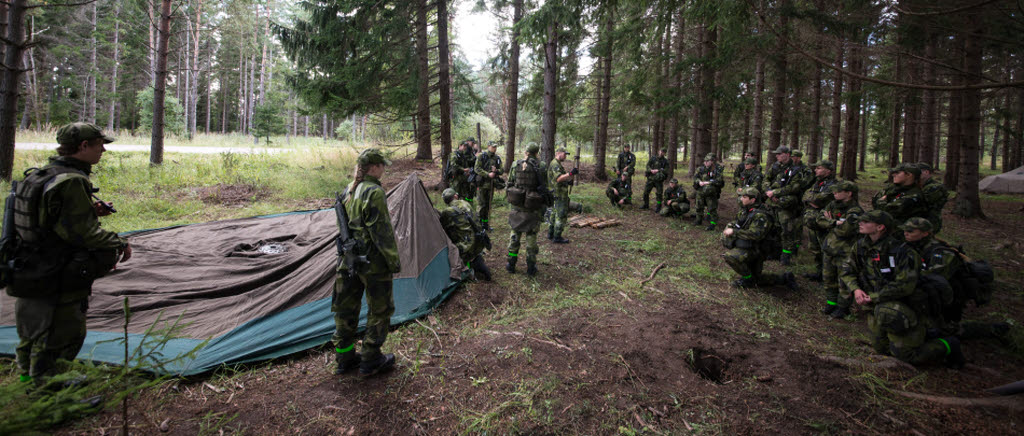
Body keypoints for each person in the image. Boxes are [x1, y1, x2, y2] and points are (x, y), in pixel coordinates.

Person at [10, 122, 131, 384]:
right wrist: (118, 242)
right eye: (100, 145)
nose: (103, 151)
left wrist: (88, 211)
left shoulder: (42, 174)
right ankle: (51, 391)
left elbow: (47, 218)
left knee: (33, 328)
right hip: (57, 268)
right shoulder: (72, 181)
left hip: (30, 265)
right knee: (62, 329)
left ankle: (28, 376)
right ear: (83, 146)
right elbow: (83, 235)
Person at [840, 210, 965, 368]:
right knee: (881, 348)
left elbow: (904, 286)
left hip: (901, 304)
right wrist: (856, 289)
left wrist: (874, 297)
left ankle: (948, 345)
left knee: (908, 355)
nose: (860, 224)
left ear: (880, 227)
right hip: (876, 305)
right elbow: (847, 270)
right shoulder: (861, 245)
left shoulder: (902, 251)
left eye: (866, 222)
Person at [333, 148, 401, 377]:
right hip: (372, 263)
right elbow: (381, 232)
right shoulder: (374, 192)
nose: (384, 169)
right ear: (373, 167)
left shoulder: (348, 191)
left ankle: (344, 357)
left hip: (348, 262)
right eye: (382, 165)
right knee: (380, 309)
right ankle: (371, 358)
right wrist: (393, 261)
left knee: (345, 309)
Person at [901, 218, 1009, 341]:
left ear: (925, 233)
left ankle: (992, 330)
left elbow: (934, 276)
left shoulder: (940, 252)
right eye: (905, 230)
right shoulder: (914, 246)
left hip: (950, 298)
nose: (906, 233)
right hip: (936, 294)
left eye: (910, 231)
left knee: (946, 331)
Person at [722, 187, 797, 290]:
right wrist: (730, 226)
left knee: (731, 257)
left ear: (753, 200)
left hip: (758, 250)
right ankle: (783, 278)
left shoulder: (761, 215)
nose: (741, 199)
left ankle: (748, 279)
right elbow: (737, 222)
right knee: (757, 279)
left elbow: (755, 235)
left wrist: (734, 232)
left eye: (744, 197)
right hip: (749, 246)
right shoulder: (746, 211)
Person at [816, 180, 863, 319]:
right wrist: (835, 222)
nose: (834, 193)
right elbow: (819, 219)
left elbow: (846, 230)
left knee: (844, 281)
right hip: (830, 247)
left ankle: (843, 307)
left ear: (849, 193)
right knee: (828, 278)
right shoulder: (832, 204)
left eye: (838, 191)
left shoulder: (855, 211)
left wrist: (830, 223)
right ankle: (831, 303)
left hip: (845, 252)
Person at [506, 144, 549, 276]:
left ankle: (511, 264)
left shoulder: (515, 164)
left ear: (526, 152)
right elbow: (544, 186)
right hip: (533, 207)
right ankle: (531, 267)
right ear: (537, 153)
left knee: (514, 236)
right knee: (531, 239)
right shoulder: (541, 166)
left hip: (517, 206)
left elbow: (510, 183)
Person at [764, 146, 811, 265]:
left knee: (787, 230)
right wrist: (769, 192)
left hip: (785, 204)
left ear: (787, 154)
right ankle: (774, 252)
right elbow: (766, 180)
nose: (777, 156)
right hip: (772, 202)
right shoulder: (775, 166)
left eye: (780, 154)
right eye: (777, 154)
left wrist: (775, 193)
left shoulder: (796, 170)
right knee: (773, 228)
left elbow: (795, 187)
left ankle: (786, 256)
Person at [439, 188, 492, 281]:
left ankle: (469, 272)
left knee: (451, 250)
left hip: (467, 244)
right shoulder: (465, 203)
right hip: (478, 238)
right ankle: (478, 263)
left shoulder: (447, 212)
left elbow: (443, 227)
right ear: (455, 196)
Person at [801, 161, 839, 282]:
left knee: (826, 249)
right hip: (813, 222)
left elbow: (822, 199)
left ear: (828, 170)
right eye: (815, 168)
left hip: (825, 222)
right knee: (815, 247)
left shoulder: (834, 184)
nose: (815, 170)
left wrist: (812, 199)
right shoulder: (817, 183)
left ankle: (829, 276)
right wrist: (812, 200)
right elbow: (805, 195)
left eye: (819, 168)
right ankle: (820, 272)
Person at [871, 163, 928, 237]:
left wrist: (881, 202)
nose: (893, 175)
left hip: (902, 234)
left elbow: (888, 212)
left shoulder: (914, 195)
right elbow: (876, 202)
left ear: (909, 175)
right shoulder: (894, 189)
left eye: (897, 173)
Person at [546, 147, 577, 244]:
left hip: (556, 192)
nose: (565, 156)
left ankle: (551, 233)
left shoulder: (557, 164)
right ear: (558, 153)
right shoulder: (555, 164)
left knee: (554, 214)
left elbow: (560, 180)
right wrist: (570, 173)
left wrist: (568, 181)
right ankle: (557, 236)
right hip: (559, 194)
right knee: (561, 215)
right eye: (564, 154)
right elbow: (558, 178)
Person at [474, 141, 503, 230]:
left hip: (491, 185)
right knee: (481, 205)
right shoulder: (481, 156)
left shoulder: (497, 158)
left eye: (495, 147)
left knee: (488, 206)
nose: (495, 148)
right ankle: (478, 226)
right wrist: (487, 174)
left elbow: (502, 170)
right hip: (482, 184)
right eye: (493, 147)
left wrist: (496, 171)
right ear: (488, 146)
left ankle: (485, 225)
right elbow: (476, 168)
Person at [693, 153, 725, 230]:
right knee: (699, 206)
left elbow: (719, 181)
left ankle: (713, 224)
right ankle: (698, 220)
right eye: (705, 161)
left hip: (711, 192)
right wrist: (699, 181)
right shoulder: (701, 169)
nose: (706, 162)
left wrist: (708, 182)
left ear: (712, 161)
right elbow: (695, 177)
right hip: (700, 191)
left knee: (711, 208)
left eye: (708, 161)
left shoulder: (717, 169)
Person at [917, 163, 948, 234]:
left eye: (918, 172)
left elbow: (920, 203)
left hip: (929, 222)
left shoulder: (935, 187)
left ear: (926, 172)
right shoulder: (921, 185)